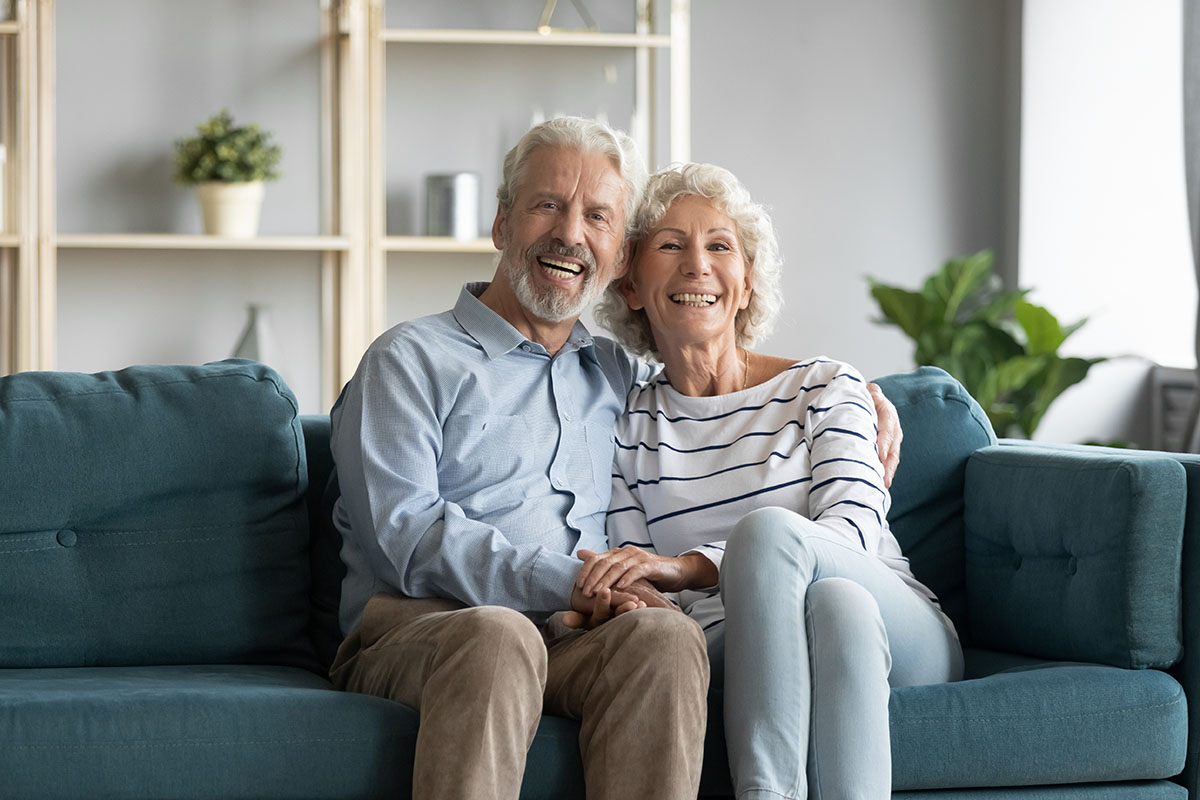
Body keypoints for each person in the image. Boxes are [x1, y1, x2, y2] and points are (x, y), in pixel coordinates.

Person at [328, 117, 904, 800]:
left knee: (664, 639)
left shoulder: (615, 376)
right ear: (501, 225)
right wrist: (564, 583)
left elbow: (716, 380)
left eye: (597, 217)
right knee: (498, 637)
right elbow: (409, 541)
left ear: (615, 258)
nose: (571, 233)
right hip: (426, 627)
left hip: (575, 633)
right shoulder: (409, 360)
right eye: (548, 205)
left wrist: (862, 395)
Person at [583, 162, 964, 799]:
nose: (697, 265)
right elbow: (635, 577)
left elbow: (849, 535)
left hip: (900, 627)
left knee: (829, 585)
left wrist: (692, 566)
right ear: (630, 285)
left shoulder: (825, 387)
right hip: (728, 642)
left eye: (720, 246)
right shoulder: (629, 423)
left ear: (747, 281)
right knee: (832, 611)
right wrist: (640, 589)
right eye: (670, 245)